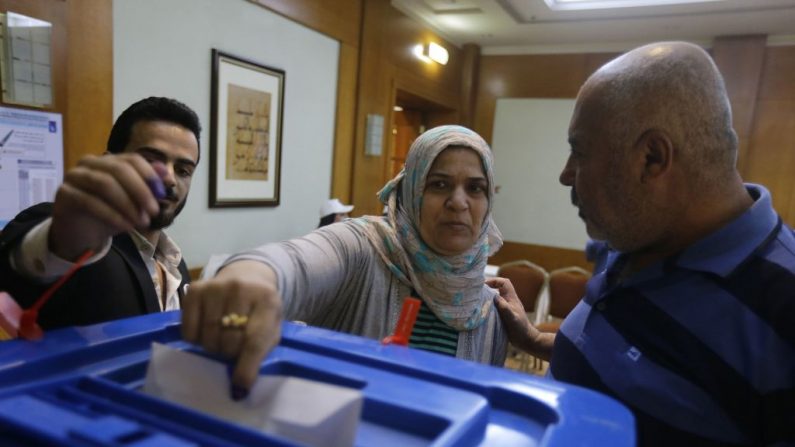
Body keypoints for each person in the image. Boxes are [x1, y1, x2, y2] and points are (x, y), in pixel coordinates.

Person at [492, 41, 795, 446]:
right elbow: (625, 360)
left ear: (651, 158)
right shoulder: (634, 235)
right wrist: (533, 339)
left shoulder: (783, 313)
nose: (566, 176)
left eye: (579, 153)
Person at [181, 125, 507, 398]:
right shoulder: (366, 247)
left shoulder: (490, 312)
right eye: (439, 184)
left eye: (475, 189)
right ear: (411, 190)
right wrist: (253, 275)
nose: (458, 202)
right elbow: (300, 261)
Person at [0, 97, 201, 329]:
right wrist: (63, 240)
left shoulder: (176, 264)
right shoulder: (75, 235)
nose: (169, 178)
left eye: (183, 170)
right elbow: (14, 272)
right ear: (109, 162)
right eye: (151, 161)